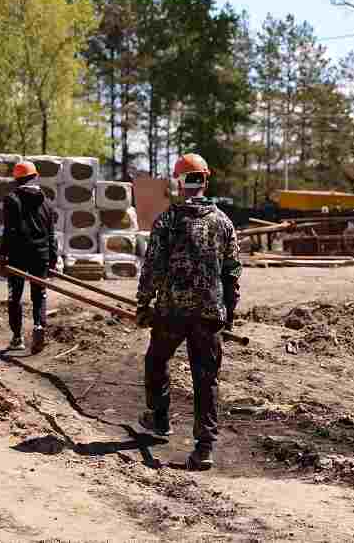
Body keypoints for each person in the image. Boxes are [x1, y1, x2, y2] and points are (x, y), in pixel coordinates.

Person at [136, 153, 242, 471]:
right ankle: (204, 447)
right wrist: (229, 313)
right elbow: (232, 273)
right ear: (205, 180)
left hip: (172, 311)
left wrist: (143, 303)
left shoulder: (168, 220)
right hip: (209, 312)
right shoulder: (224, 222)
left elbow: (152, 267)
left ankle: (160, 418)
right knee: (206, 378)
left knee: (156, 360)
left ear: (178, 182)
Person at [0, 161, 58, 353]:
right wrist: (53, 259)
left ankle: (17, 338)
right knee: (39, 294)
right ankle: (39, 325)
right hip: (41, 255)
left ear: (16, 180)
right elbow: (51, 234)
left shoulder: (12, 199)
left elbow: (9, 230)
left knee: (14, 296)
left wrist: (2, 255)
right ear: (36, 177)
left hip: (18, 255)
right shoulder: (46, 202)